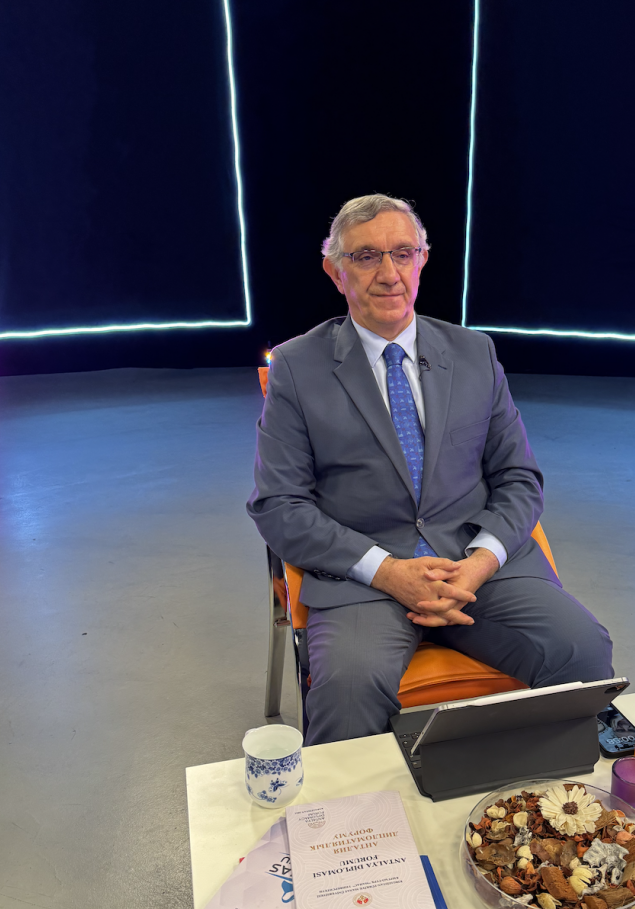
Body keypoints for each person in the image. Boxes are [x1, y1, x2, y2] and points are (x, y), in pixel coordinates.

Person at [247, 194, 612, 745]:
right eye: (366, 256)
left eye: (403, 253)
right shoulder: (297, 368)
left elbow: (518, 478)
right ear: (335, 271)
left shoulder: (474, 353)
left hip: (475, 569)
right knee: (347, 692)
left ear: (422, 259)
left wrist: (479, 563)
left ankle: (535, 794)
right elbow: (279, 505)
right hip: (365, 576)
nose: (388, 273)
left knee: (582, 651)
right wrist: (388, 571)